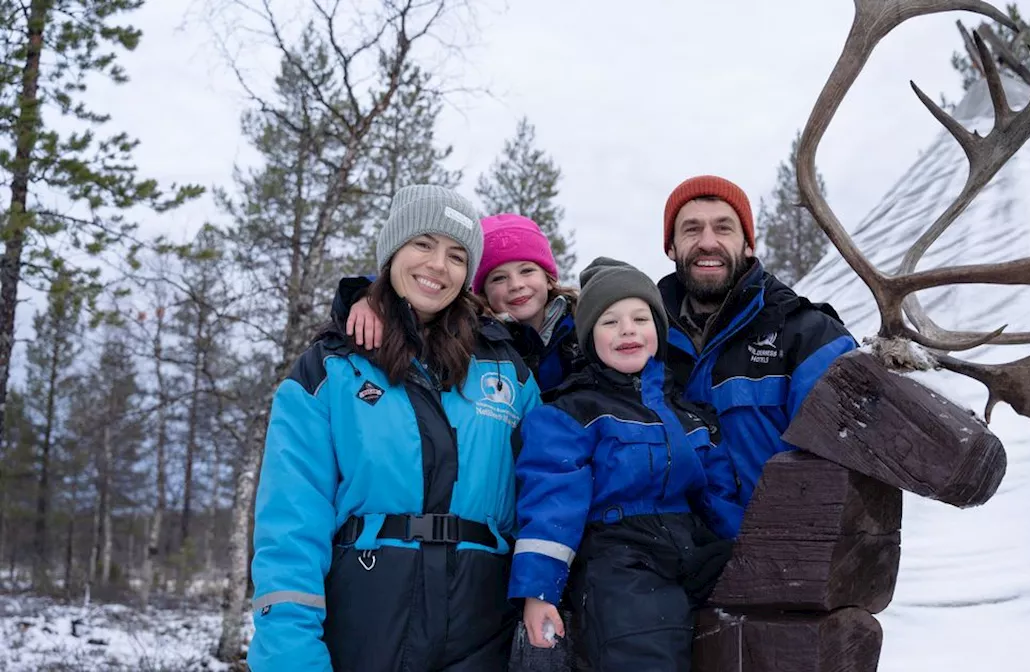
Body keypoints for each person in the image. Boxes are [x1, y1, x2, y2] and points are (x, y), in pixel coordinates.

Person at [248, 185, 541, 672]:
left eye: (456, 255)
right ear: (392, 251)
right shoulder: (330, 370)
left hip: (483, 625)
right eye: (423, 244)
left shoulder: (508, 371)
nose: (437, 266)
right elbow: (290, 524)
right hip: (366, 617)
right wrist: (289, 656)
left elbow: (545, 489)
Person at [509, 257, 743, 671]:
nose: (628, 330)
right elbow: (552, 504)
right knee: (644, 648)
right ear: (589, 339)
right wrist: (539, 592)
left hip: (689, 548)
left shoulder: (690, 415)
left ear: (658, 331)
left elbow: (719, 494)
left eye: (640, 318)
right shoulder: (570, 413)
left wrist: (744, 553)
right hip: (618, 559)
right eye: (610, 322)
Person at [658, 175, 857, 508]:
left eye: (724, 228)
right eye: (692, 229)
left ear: (748, 245)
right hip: (678, 556)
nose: (708, 242)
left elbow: (853, 466)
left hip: (787, 552)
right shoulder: (642, 347)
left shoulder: (811, 340)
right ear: (671, 247)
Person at [343, 213, 585, 391]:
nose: (515, 285)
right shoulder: (476, 334)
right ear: (481, 293)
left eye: (527, 271)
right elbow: (417, 297)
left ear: (550, 278)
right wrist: (368, 296)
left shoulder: (583, 324)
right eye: (499, 278)